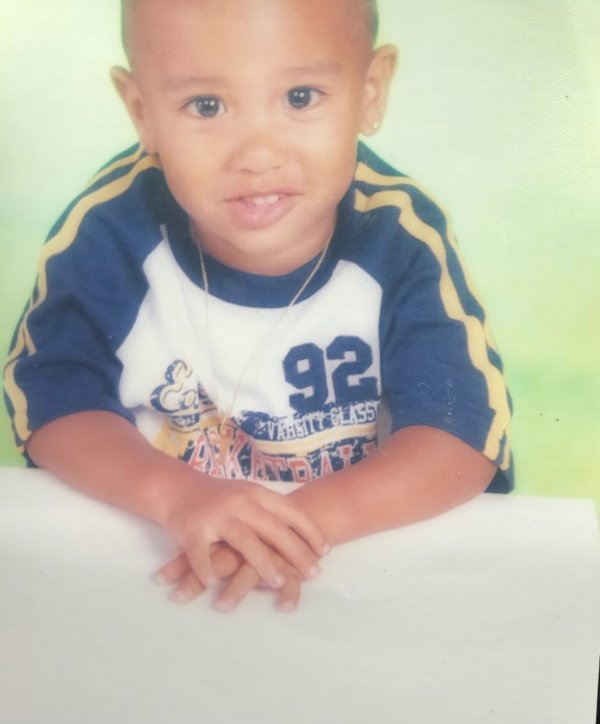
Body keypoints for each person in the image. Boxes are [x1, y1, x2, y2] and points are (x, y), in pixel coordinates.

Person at [3, 0, 513, 613]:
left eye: (300, 97)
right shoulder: (109, 232)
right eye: (206, 106)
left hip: (355, 562)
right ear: (142, 112)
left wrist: (290, 528)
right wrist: (176, 495)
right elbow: (53, 399)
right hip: (158, 557)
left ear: (370, 93)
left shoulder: (401, 240)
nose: (258, 154)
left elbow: (460, 439)